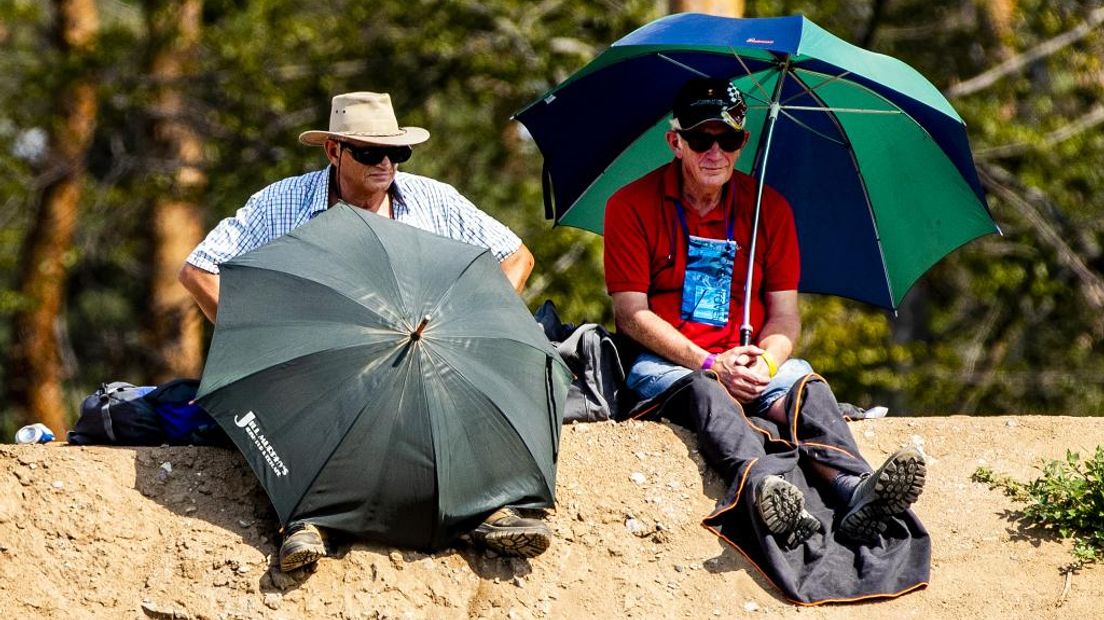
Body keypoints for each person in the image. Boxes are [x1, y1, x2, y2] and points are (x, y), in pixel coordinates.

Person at [180, 91, 551, 572]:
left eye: (397, 153)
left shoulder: (433, 200)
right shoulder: (282, 203)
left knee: (458, 392)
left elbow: (516, 257)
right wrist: (254, 337)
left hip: (416, 355)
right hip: (320, 367)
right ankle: (307, 518)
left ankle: (488, 509)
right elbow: (199, 271)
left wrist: (472, 320)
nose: (386, 164)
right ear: (333, 151)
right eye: (369, 153)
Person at [603, 78, 930, 603]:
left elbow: (785, 316)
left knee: (809, 385)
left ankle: (856, 493)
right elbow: (630, 314)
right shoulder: (630, 205)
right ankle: (762, 491)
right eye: (702, 138)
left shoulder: (769, 209)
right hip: (670, 365)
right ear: (675, 141)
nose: (716, 152)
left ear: (744, 141)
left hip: (750, 360)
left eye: (728, 140)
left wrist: (765, 360)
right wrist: (712, 363)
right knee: (705, 392)